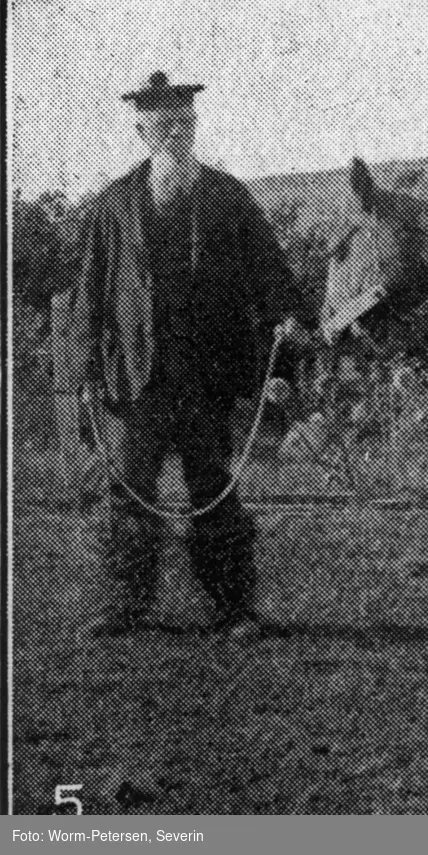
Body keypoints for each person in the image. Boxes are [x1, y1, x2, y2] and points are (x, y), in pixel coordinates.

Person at [62, 71, 311, 641]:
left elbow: (267, 266)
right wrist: (82, 373)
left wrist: (288, 314)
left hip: (206, 375)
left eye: (182, 124)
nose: (174, 134)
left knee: (214, 491)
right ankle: (123, 606)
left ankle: (235, 610)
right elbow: (91, 292)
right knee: (126, 489)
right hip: (134, 375)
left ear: (193, 128)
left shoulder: (227, 195)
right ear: (143, 133)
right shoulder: (115, 205)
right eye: (161, 127)